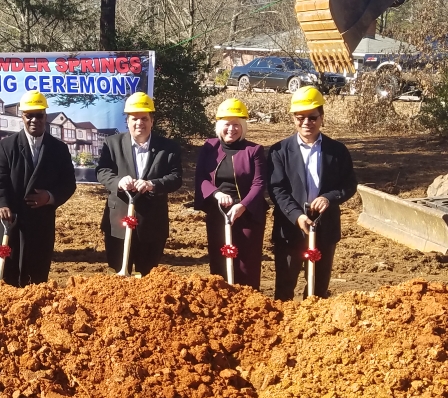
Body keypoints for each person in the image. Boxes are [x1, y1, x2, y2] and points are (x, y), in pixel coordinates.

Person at [267, 86, 357, 300]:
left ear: (322, 117)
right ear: (293, 119)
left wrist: (329, 198)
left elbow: (349, 185)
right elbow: (276, 189)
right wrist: (297, 216)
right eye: (300, 118)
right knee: (284, 288)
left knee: (317, 289)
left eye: (312, 117)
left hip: (325, 229)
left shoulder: (337, 151)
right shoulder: (278, 151)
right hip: (289, 229)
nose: (306, 122)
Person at [0, 92, 76, 286]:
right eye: (29, 115)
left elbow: (68, 183)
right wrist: (0, 205)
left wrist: (49, 197)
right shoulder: (5, 147)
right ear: (22, 117)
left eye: (39, 115)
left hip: (40, 221)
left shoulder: (59, 149)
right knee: (4, 275)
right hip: (9, 220)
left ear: (45, 116)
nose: (34, 120)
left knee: (35, 277)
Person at [96, 92, 183, 276]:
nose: (139, 123)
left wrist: (153, 184)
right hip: (118, 222)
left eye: (144, 118)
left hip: (152, 224)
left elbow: (176, 177)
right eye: (134, 119)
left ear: (152, 121)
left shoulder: (168, 148)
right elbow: (102, 171)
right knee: (118, 273)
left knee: (148, 276)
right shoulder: (112, 144)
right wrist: (119, 181)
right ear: (127, 121)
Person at [193, 98, 267, 288]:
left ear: (243, 127)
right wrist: (216, 194)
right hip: (218, 211)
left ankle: (248, 303)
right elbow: (201, 177)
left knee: (245, 264)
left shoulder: (254, 150)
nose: (231, 129)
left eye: (237, 124)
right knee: (219, 261)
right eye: (227, 124)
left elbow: (259, 183)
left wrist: (242, 206)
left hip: (247, 214)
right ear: (219, 126)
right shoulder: (209, 147)